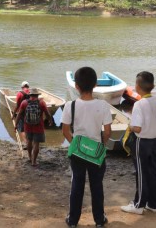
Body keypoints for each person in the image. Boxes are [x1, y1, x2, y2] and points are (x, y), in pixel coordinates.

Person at [61, 67, 112, 228]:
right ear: (95, 84)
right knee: (97, 186)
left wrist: (75, 144)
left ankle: (73, 220)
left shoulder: (71, 105)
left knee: (77, 185)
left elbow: (65, 130)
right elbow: (108, 132)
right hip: (97, 152)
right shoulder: (103, 105)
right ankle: (99, 220)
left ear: (76, 86)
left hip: (77, 153)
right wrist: (101, 146)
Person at [121, 71, 156, 215]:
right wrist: (153, 122)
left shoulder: (139, 104)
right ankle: (153, 204)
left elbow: (137, 128)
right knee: (152, 172)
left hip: (141, 142)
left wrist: (129, 126)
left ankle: (138, 205)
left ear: (137, 86)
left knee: (141, 173)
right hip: (154, 141)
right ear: (153, 86)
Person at [15, 88, 50, 166]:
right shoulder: (42, 103)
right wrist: (50, 120)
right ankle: (34, 162)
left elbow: (19, 114)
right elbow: (47, 114)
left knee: (29, 141)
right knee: (36, 143)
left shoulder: (24, 103)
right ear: (37, 95)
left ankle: (30, 157)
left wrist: (15, 125)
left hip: (27, 126)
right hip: (39, 126)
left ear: (30, 95)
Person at [14, 81, 30, 145]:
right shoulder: (31, 93)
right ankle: (31, 142)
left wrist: (13, 114)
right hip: (30, 112)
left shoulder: (19, 94)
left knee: (22, 130)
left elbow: (17, 105)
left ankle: (26, 143)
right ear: (28, 87)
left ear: (22, 87)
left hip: (22, 113)